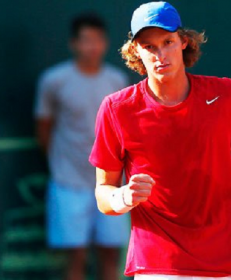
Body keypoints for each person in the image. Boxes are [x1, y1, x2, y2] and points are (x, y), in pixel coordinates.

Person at [89, 2, 231, 280]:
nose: (160, 54)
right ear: (136, 50)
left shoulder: (225, 94)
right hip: (159, 266)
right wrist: (124, 196)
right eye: (149, 47)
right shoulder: (116, 108)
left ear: (184, 42)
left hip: (227, 266)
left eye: (168, 41)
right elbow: (104, 193)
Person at [34, 13, 130, 280]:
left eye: (98, 39)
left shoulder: (117, 81)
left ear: (106, 43)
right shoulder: (54, 80)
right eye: (86, 40)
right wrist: (61, 165)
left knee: (110, 255)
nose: (93, 46)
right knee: (75, 257)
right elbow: (43, 127)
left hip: (111, 185)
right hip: (68, 183)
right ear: (74, 43)